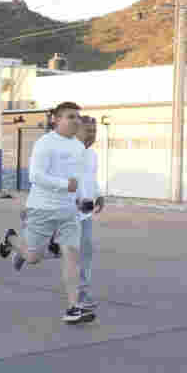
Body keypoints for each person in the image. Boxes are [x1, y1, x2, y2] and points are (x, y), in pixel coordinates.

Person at [0, 101, 93, 324]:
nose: (76, 121)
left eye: (77, 117)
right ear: (56, 120)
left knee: (71, 256)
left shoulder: (78, 147)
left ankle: (73, 307)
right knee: (33, 257)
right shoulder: (45, 143)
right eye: (70, 117)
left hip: (69, 211)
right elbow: (35, 176)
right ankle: (11, 240)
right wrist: (64, 185)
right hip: (43, 208)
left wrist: (82, 198)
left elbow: (77, 179)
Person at [74, 116, 104, 310]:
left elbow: (91, 179)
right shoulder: (68, 153)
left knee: (85, 252)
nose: (92, 135)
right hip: (63, 210)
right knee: (43, 251)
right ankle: (21, 249)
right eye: (88, 131)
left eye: (94, 131)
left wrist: (98, 195)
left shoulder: (92, 155)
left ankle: (82, 293)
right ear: (76, 131)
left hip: (84, 214)